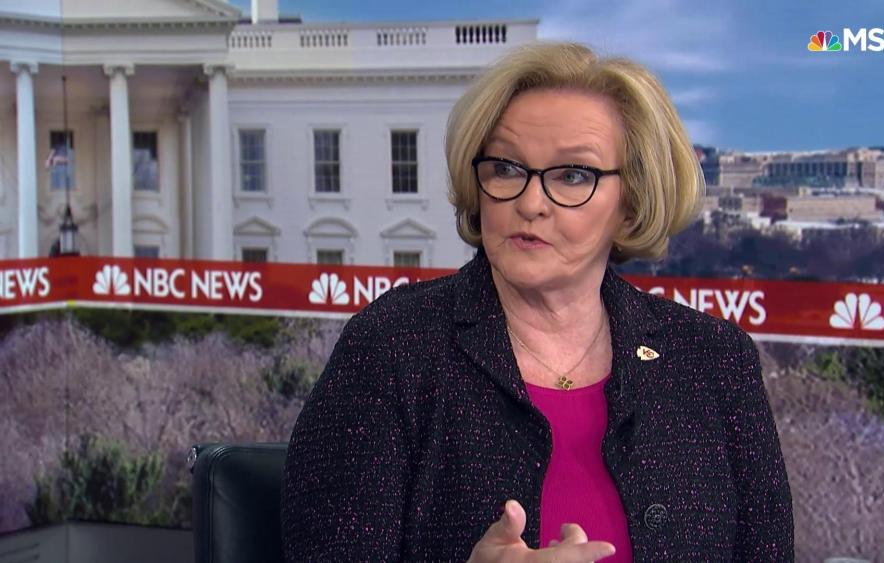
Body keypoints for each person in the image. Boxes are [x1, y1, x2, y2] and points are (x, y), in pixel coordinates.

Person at [281, 41, 794, 562]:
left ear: (632, 199)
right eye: (506, 168)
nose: (530, 203)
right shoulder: (392, 347)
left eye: (573, 175)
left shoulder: (714, 360)